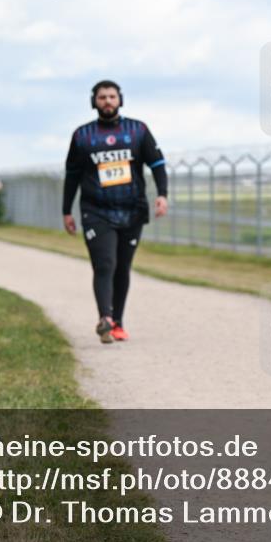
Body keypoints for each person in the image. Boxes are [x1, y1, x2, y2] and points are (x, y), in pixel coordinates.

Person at [62, 80, 168, 344]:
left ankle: (118, 322)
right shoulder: (82, 136)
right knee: (104, 264)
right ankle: (105, 319)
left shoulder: (138, 130)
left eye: (111, 96)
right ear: (93, 102)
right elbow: (72, 176)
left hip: (132, 209)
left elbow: (157, 165)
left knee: (122, 267)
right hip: (95, 210)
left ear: (120, 99)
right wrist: (66, 210)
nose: (107, 101)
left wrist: (162, 195)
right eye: (101, 97)